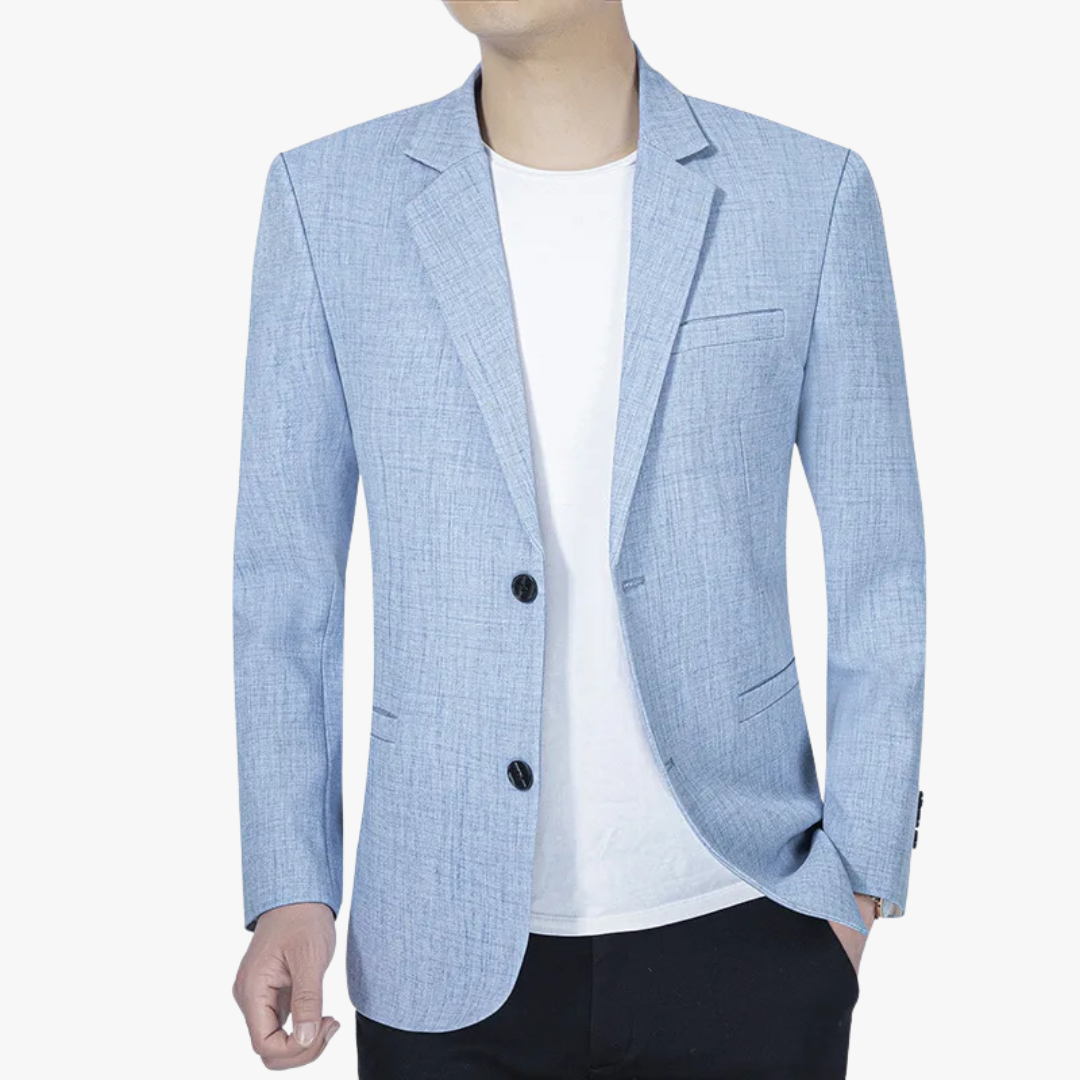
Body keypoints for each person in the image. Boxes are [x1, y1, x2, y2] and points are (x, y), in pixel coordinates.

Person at [231, 2, 926, 1076]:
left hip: (749, 918)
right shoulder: (326, 203)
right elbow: (286, 587)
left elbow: (881, 565)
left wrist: (859, 882)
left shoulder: (807, 194)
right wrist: (292, 884)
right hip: (437, 941)